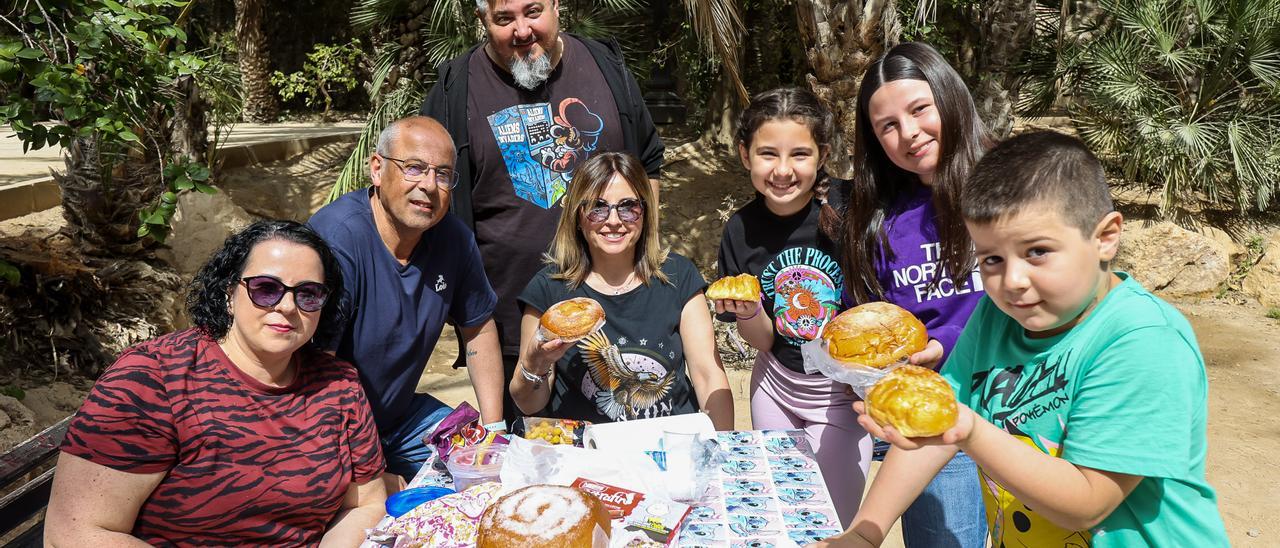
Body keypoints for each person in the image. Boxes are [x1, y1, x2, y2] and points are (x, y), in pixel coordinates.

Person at [815, 131, 1230, 547]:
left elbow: (1088, 501)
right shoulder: (997, 317)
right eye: (991, 259)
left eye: (1037, 252)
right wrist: (866, 532)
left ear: (1105, 238)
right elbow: (942, 424)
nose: (1012, 282)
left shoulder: (1141, 340)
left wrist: (970, 431)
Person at [44, 220, 387, 545]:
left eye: (308, 294)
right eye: (266, 289)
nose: (286, 306)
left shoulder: (338, 385)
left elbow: (364, 504)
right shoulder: (152, 380)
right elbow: (75, 533)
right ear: (228, 294)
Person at [419, 0, 664, 428]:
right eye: (503, 19)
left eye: (533, 11)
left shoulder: (603, 64)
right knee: (532, 471)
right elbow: (432, 193)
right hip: (514, 328)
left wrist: (646, 255)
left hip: (619, 318)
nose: (522, 30)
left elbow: (649, 162)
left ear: (556, 6)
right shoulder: (455, 88)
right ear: (482, 20)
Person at [838, 42, 991, 546]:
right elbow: (876, 316)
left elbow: (1027, 303)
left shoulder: (1008, 189)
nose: (909, 134)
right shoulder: (881, 214)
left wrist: (945, 342)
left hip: (1007, 412)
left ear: (949, 97)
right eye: (887, 125)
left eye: (920, 109)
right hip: (919, 421)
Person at [308, 116, 504, 481]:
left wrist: (495, 432)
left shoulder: (454, 240)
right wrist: (375, 478)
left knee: (492, 473)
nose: (429, 186)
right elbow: (315, 372)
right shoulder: (337, 241)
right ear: (377, 169)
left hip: (400, 417)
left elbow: (478, 329)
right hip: (328, 430)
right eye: (414, 168)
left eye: (443, 174)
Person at [712, 87, 866, 526]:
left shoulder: (852, 207)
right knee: (782, 519)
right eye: (766, 154)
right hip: (774, 390)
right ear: (745, 155)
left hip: (840, 396)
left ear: (823, 154)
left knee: (828, 527)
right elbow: (762, 338)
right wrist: (747, 312)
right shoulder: (739, 230)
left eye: (799, 153)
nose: (782, 170)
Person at [510, 152, 733, 430]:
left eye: (628, 207)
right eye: (597, 207)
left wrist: (723, 449)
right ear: (578, 216)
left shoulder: (679, 277)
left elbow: (707, 375)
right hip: (586, 454)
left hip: (670, 448)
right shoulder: (548, 289)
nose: (614, 220)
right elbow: (528, 404)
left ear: (645, 212)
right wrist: (535, 363)